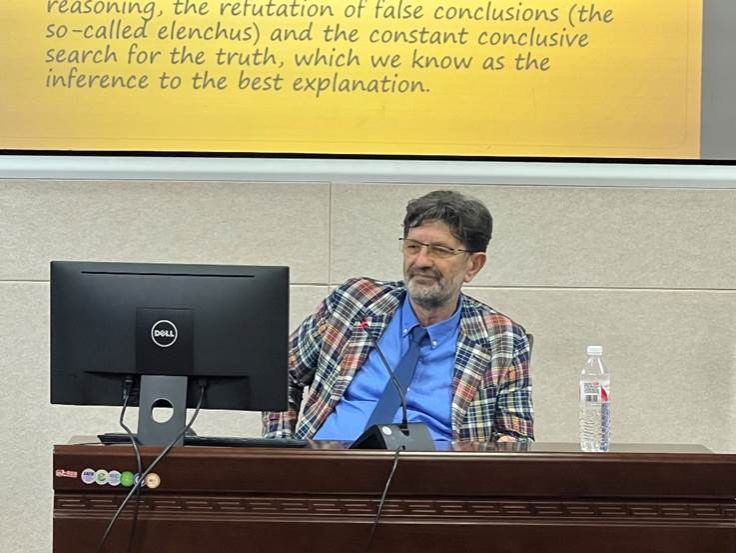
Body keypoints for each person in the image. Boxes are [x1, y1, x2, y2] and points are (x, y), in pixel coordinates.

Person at [263, 190, 533, 443]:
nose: (421, 261)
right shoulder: (356, 301)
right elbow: (281, 372)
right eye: (413, 247)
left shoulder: (502, 338)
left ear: (473, 265)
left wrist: (507, 448)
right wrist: (281, 446)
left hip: (433, 473)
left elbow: (516, 437)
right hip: (327, 465)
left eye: (440, 250)